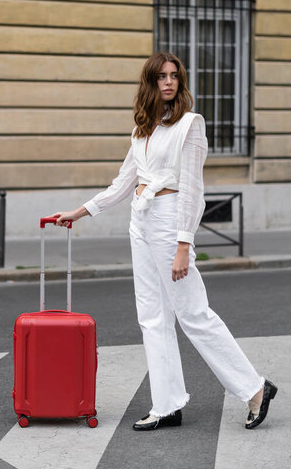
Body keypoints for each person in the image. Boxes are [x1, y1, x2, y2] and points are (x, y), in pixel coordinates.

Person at [51, 52, 277, 431]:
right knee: (151, 317)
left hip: (170, 220)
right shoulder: (143, 127)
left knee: (193, 313)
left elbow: (192, 189)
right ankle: (167, 404)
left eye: (174, 76)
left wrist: (184, 244)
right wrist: (82, 211)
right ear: (150, 82)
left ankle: (254, 389)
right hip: (140, 220)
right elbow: (124, 181)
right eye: (161, 76)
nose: (168, 82)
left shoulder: (190, 125)